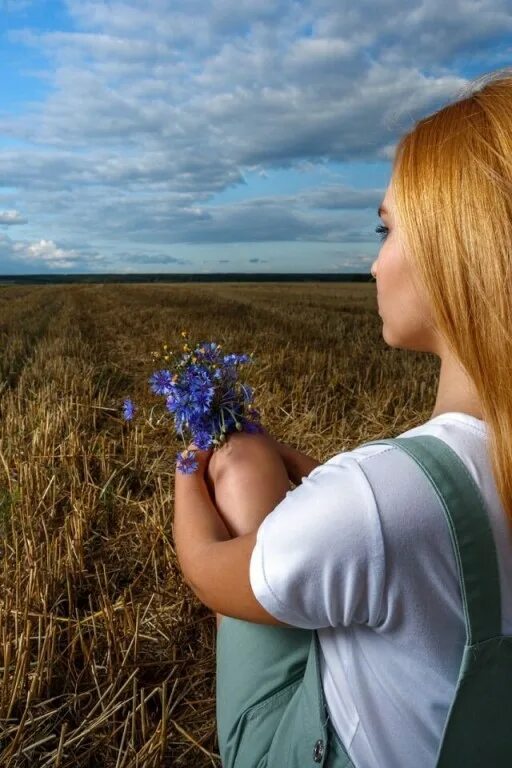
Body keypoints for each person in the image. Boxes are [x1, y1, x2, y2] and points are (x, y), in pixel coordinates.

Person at [173, 67, 512, 767]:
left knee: (244, 467)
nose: (371, 263)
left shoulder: (382, 500)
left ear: (459, 254)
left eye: (385, 230)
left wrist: (192, 469)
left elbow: (208, 572)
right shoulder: (406, 492)